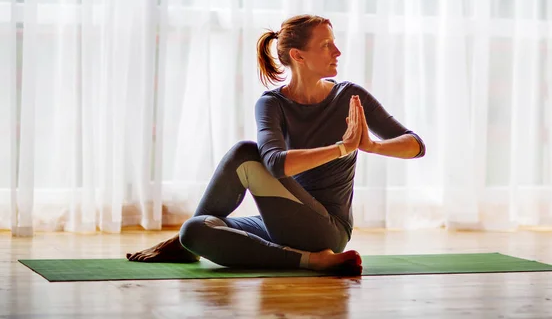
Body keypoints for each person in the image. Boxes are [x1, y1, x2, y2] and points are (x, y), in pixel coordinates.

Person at [126, 14, 425, 275]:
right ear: (298, 56)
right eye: (325, 45)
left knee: (244, 153)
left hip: (327, 231)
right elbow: (275, 164)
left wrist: (371, 146)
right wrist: (340, 148)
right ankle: (308, 261)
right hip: (281, 224)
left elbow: (415, 144)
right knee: (193, 230)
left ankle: (313, 257)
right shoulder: (272, 103)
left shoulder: (348, 96)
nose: (337, 51)